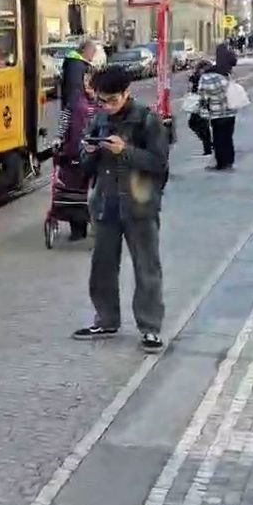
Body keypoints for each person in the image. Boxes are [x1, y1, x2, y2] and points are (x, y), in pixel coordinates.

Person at [73, 67, 169, 352]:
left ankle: (150, 328)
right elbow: (85, 165)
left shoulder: (147, 120)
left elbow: (159, 163)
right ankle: (106, 320)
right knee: (102, 267)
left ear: (127, 93)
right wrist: (88, 153)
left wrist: (125, 151)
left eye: (112, 100)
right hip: (105, 204)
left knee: (146, 268)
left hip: (140, 205)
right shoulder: (99, 119)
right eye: (101, 100)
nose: (106, 106)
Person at [56, 40, 99, 240]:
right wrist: (59, 139)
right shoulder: (83, 104)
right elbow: (65, 123)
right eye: (86, 82)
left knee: (80, 189)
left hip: (85, 153)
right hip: (77, 152)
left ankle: (82, 226)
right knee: (76, 189)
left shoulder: (98, 105)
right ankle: (79, 226)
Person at [196, 47, 238, 171]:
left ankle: (221, 164)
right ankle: (229, 161)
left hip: (216, 112)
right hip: (230, 111)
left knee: (218, 137)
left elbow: (203, 95)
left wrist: (203, 106)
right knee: (228, 137)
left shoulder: (207, 76)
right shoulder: (227, 74)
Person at [186, 60, 213, 157]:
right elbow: (190, 89)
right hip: (197, 102)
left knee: (202, 124)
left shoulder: (208, 77)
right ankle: (209, 144)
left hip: (204, 102)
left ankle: (208, 148)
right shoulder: (195, 77)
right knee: (193, 123)